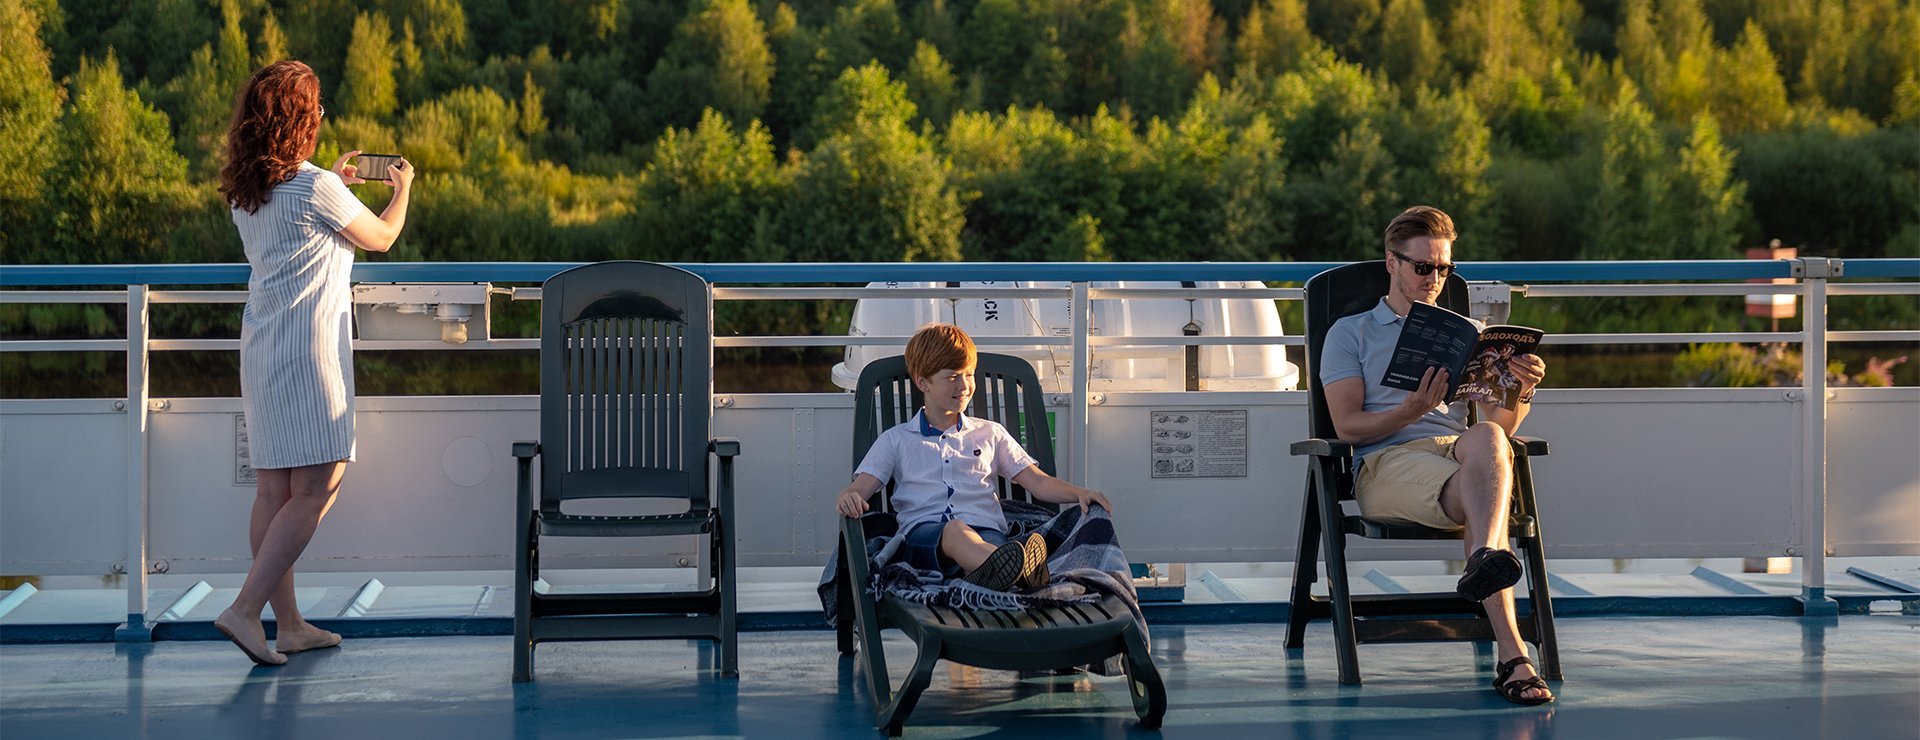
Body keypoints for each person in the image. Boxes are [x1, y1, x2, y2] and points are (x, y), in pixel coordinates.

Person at [213, 60, 416, 666]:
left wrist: (336, 182)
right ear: (301, 120)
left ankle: (289, 625)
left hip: (262, 348)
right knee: (317, 485)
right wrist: (402, 190)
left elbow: (305, 231)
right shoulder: (316, 187)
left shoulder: (248, 191)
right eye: (318, 109)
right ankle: (244, 610)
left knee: (273, 491)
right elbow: (380, 237)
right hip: (310, 353)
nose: (323, 117)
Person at [1319, 205, 1555, 705]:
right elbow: (1346, 426)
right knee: (1485, 495)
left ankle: (1485, 557)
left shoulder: (1467, 331)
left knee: (1488, 437)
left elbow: (1500, 425)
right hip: (1386, 460)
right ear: (1392, 262)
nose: (1434, 279)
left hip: (1457, 454)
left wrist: (1522, 389)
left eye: (1444, 269)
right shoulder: (1350, 332)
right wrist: (1408, 411)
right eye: (1423, 267)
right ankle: (1514, 655)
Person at [835, 324, 1113, 592]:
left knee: (992, 548)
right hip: (924, 539)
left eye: (969, 374)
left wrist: (1080, 493)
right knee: (956, 531)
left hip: (987, 533)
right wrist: (849, 497)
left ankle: (996, 573)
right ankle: (1022, 576)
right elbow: (860, 488)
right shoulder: (896, 440)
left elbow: (1038, 482)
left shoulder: (990, 433)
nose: (964, 385)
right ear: (923, 382)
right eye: (952, 377)